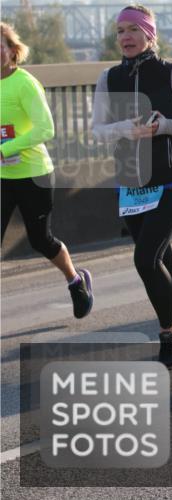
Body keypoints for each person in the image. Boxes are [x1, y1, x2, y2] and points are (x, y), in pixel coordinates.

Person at [91, 5, 172, 369]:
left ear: (149, 34)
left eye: (133, 30)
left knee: (146, 259)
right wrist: (123, 129)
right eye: (120, 31)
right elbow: (96, 132)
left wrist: (165, 127)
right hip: (132, 185)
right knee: (163, 262)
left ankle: (167, 335)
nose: (125, 37)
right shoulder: (108, 78)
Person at [1, 22, 94, 318]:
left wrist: (5, 149)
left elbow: (46, 128)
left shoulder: (24, 83)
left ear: (12, 51)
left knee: (41, 239)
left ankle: (76, 281)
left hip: (34, 175)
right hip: (2, 177)